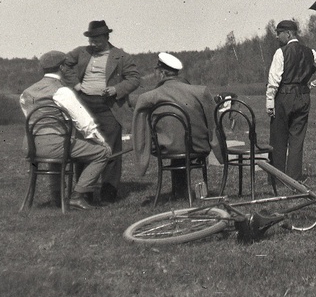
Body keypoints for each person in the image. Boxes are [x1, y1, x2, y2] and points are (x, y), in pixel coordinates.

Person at [19, 51, 111, 210]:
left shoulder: (26, 92)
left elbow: (32, 119)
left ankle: (57, 197)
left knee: (57, 153)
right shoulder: (62, 91)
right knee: (102, 153)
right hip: (54, 145)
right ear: (61, 67)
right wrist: (101, 142)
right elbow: (83, 121)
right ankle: (77, 196)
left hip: (30, 145)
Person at [65, 20, 141, 202]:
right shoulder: (81, 52)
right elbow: (65, 64)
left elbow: (134, 78)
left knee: (112, 149)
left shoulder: (121, 57)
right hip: (85, 106)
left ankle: (109, 192)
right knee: (84, 148)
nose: (94, 44)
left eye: (97, 39)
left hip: (109, 107)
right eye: (91, 40)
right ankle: (84, 193)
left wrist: (116, 89)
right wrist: (76, 84)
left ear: (106, 37)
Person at [131, 52, 217, 199]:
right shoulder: (200, 92)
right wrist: (219, 150)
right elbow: (214, 125)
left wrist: (142, 158)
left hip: (165, 148)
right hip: (196, 147)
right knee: (182, 140)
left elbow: (140, 131)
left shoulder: (147, 97)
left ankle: (179, 191)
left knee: (173, 139)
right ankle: (181, 191)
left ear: (162, 73)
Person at [264, 20, 316, 181]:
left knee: (278, 139)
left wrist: (269, 101)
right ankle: (294, 177)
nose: (278, 37)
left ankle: (277, 178)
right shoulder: (311, 52)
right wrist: (310, 85)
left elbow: (274, 81)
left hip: (284, 96)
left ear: (288, 33)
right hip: (303, 97)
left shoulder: (281, 52)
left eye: (279, 33)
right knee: (297, 139)